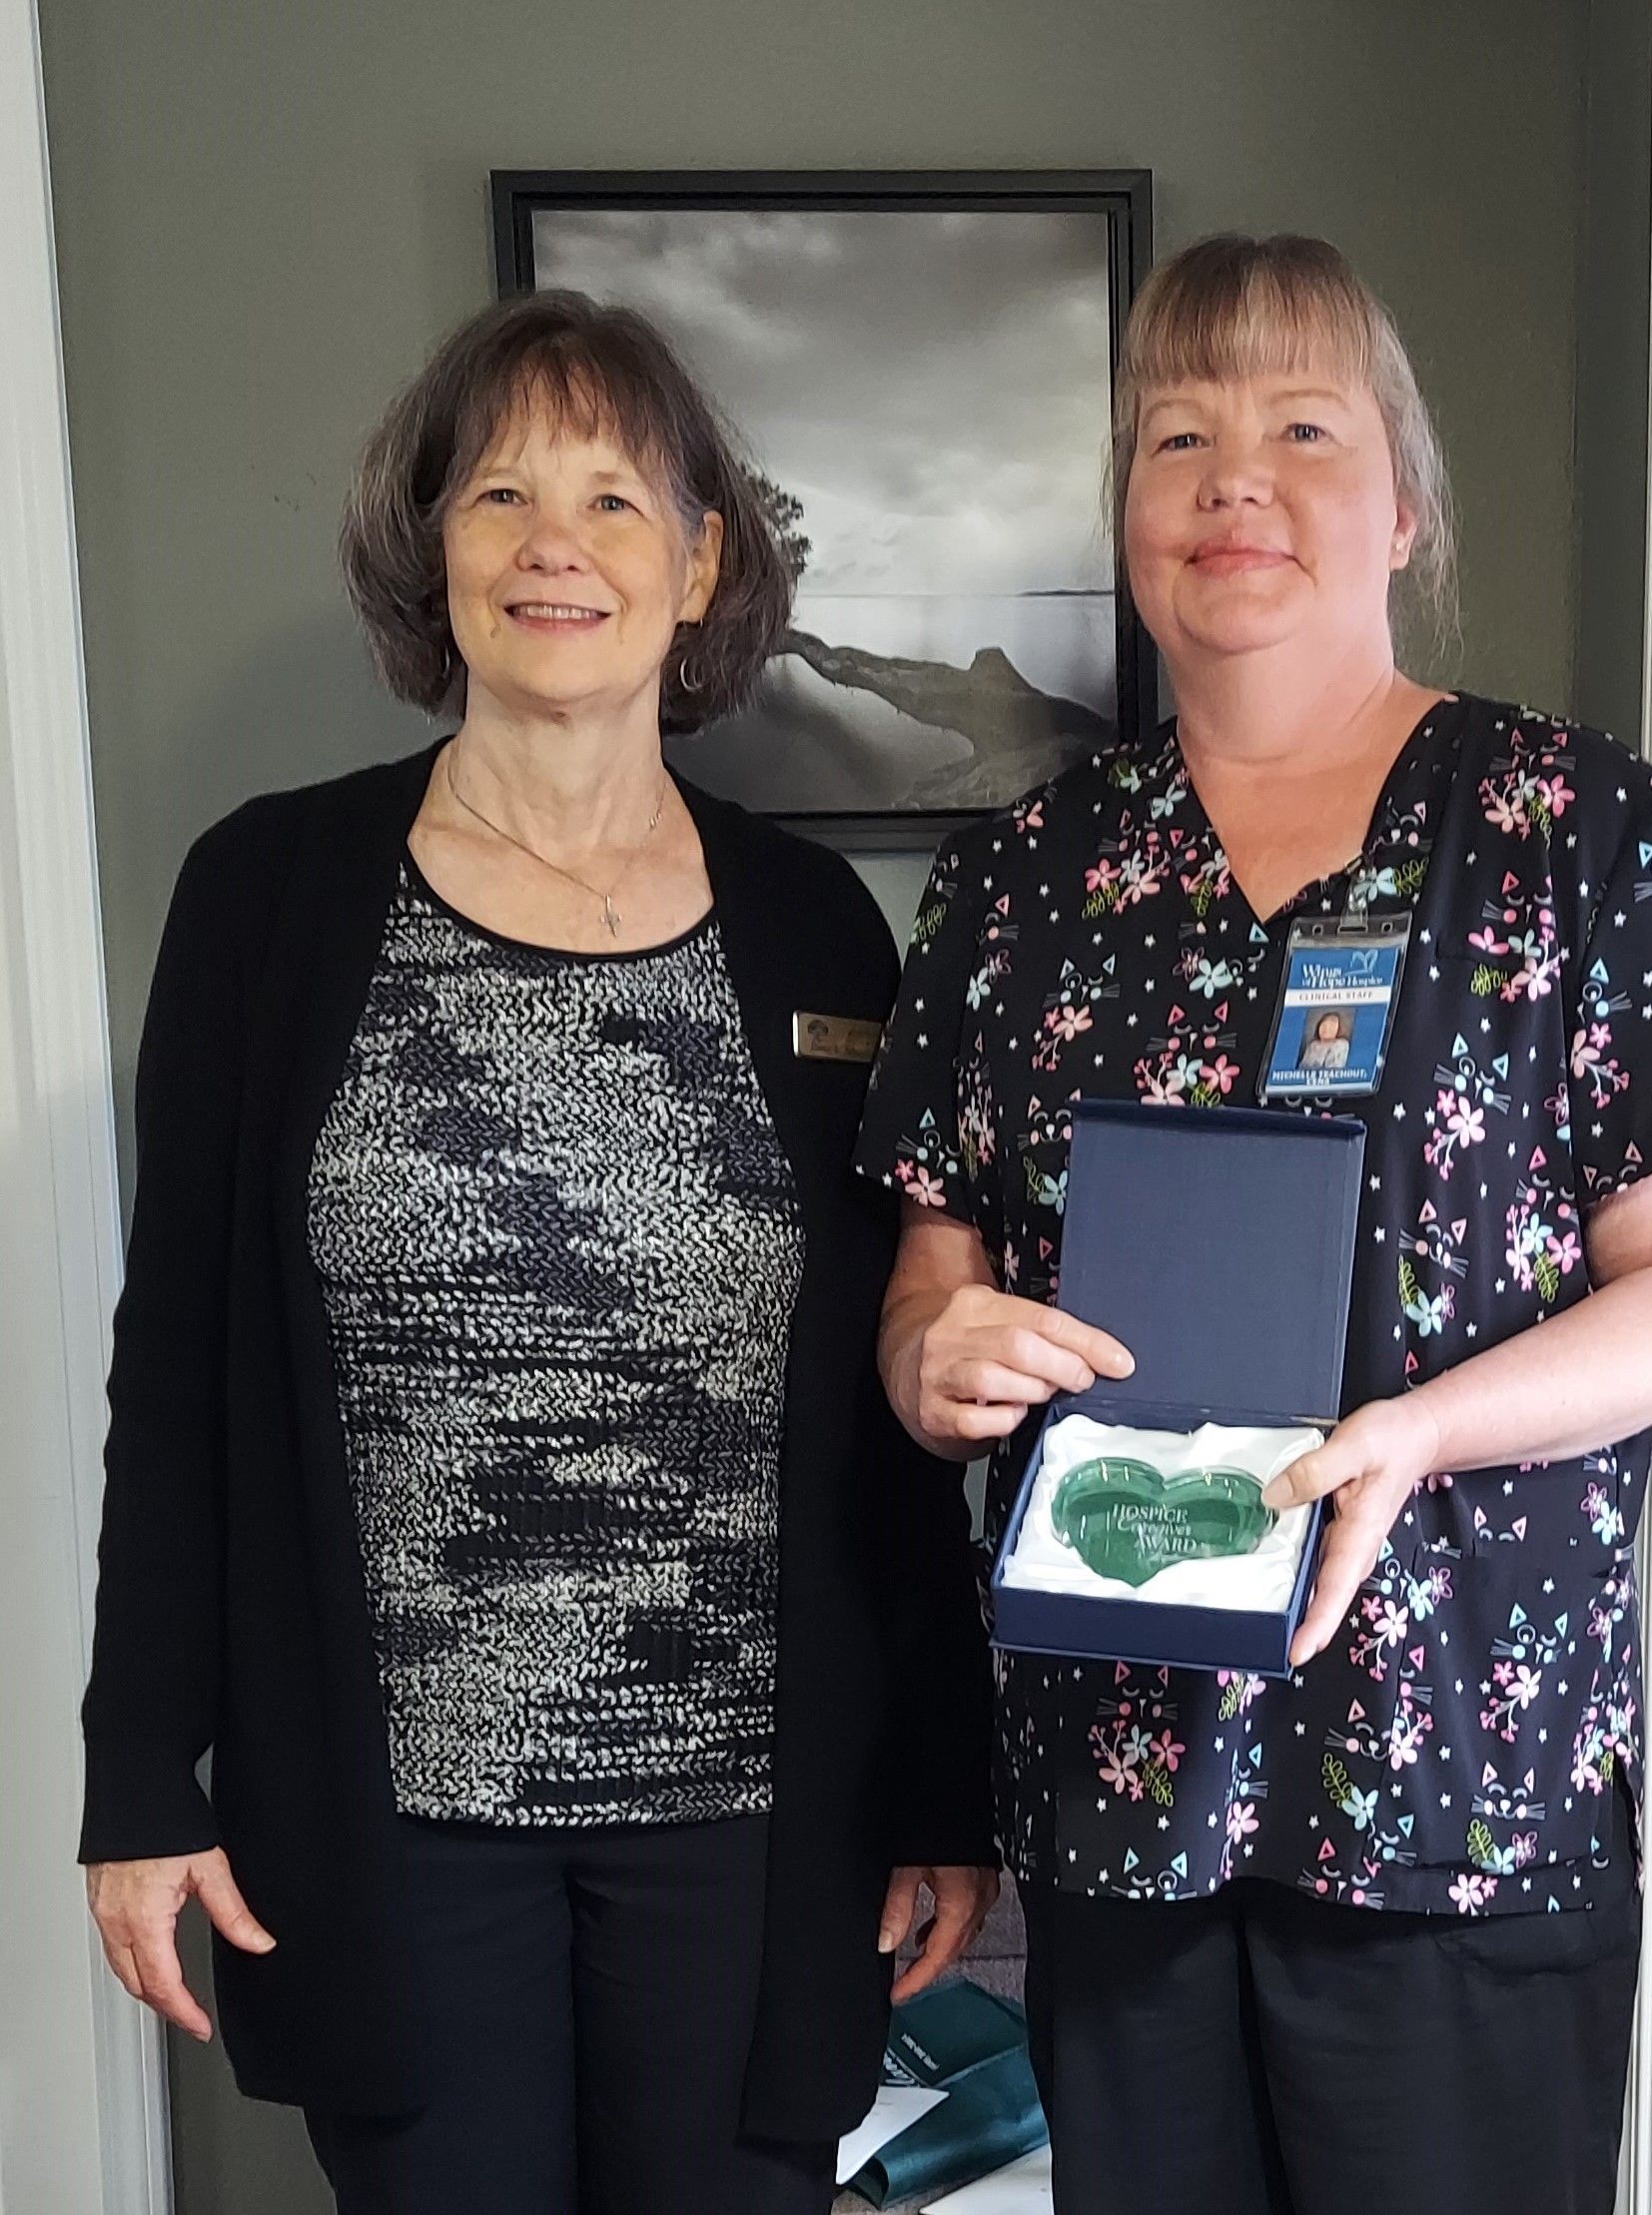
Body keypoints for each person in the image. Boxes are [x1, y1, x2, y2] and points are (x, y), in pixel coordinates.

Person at [856, 234, 1652, 2215]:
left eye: (1298, 426)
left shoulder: (1581, 832)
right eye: (1173, 434)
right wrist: (936, 1355)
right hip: (1122, 1781)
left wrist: (1415, 1429)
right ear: (1124, 514)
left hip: (1459, 1780)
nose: (1229, 481)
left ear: (1403, 501)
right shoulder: (1018, 880)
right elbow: (933, 1278)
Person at [79, 290, 998, 2215]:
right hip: (391, 1824)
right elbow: (175, 1381)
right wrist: (139, 1779)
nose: (552, 543)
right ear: (436, 551)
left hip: (753, 1829)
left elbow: (881, 1398)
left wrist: (939, 1780)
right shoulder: (267, 897)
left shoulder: (819, 930)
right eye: (499, 493)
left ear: (701, 561)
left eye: (609, 495)